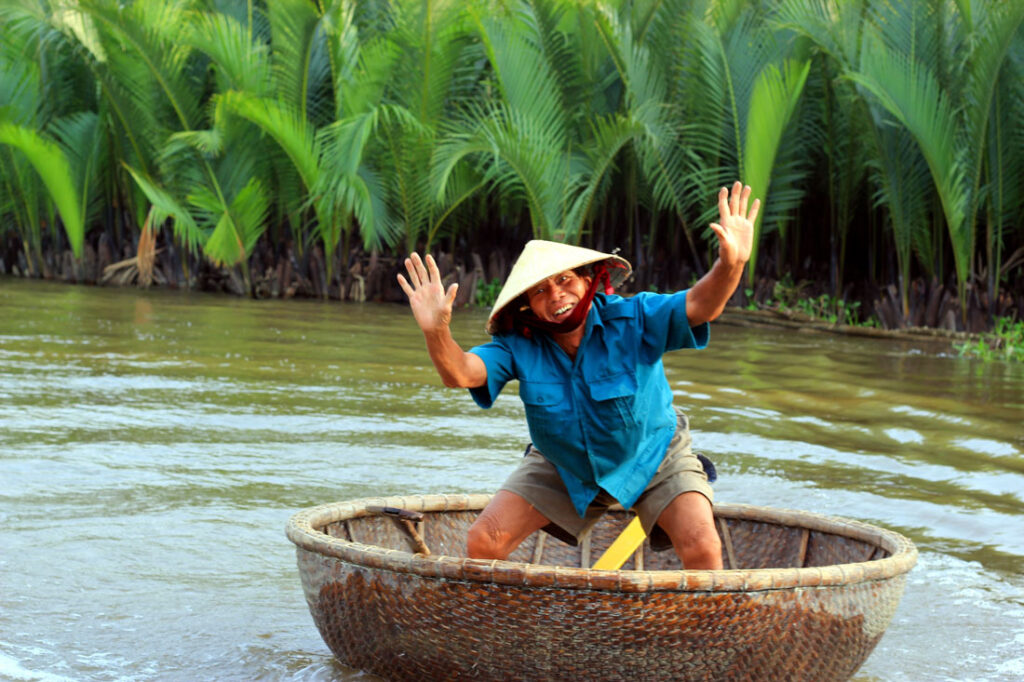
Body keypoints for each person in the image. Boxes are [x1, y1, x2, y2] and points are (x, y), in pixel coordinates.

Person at [397, 182, 760, 569]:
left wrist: (731, 263)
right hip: (563, 462)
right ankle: (505, 626)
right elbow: (461, 373)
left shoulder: (635, 317)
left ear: (589, 279)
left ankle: (697, 627)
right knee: (484, 540)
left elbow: (701, 305)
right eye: (539, 291)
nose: (556, 296)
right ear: (528, 309)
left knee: (703, 545)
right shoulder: (518, 344)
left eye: (565, 280)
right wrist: (436, 330)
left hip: (654, 454)